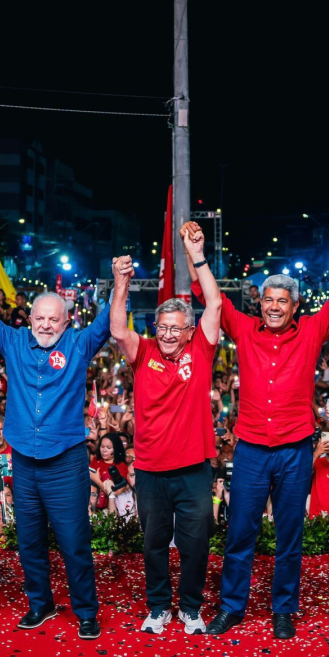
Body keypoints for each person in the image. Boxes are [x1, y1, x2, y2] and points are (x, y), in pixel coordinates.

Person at [196, 214, 329, 641]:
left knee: (289, 535)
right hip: (252, 451)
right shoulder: (242, 329)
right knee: (240, 531)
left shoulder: (312, 331)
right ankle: (231, 608)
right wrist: (196, 253)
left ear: (295, 306)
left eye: (283, 301)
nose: (274, 306)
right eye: (268, 300)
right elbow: (211, 297)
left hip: (296, 450)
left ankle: (283, 609)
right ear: (260, 303)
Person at [0, 275, 112, 640]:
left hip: (65, 463)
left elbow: (109, 320)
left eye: (54, 319)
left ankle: (85, 611)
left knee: (73, 541)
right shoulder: (14, 341)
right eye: (40, 318)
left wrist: (123, 283)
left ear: (67, 322)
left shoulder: (79, 344)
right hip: (24, 461)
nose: (46, 325)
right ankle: (41, 603)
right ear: (29, 319)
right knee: (29, 540)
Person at [110, 224, 221, 636]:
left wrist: (197, 253)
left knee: (196, 545)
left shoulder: (202, 349)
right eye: (164, 327)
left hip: (194, 469)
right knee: (154, 544)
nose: (170, 334)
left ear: (189, 331)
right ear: (156, 327)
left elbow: (213, 303)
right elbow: (118, 329)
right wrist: (121, 284)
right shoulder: (144, 352)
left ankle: (190, 608)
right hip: (153, 469)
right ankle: (158, 607)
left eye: (177, 328)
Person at [88, 432, 132, 516]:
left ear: (116, 449)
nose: (104, 450)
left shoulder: (121, 466)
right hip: (93, 508)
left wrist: (97, 481)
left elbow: (118, 492)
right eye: (102, 447)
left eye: (108, 447)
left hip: (112, 509)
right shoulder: (96, 461)